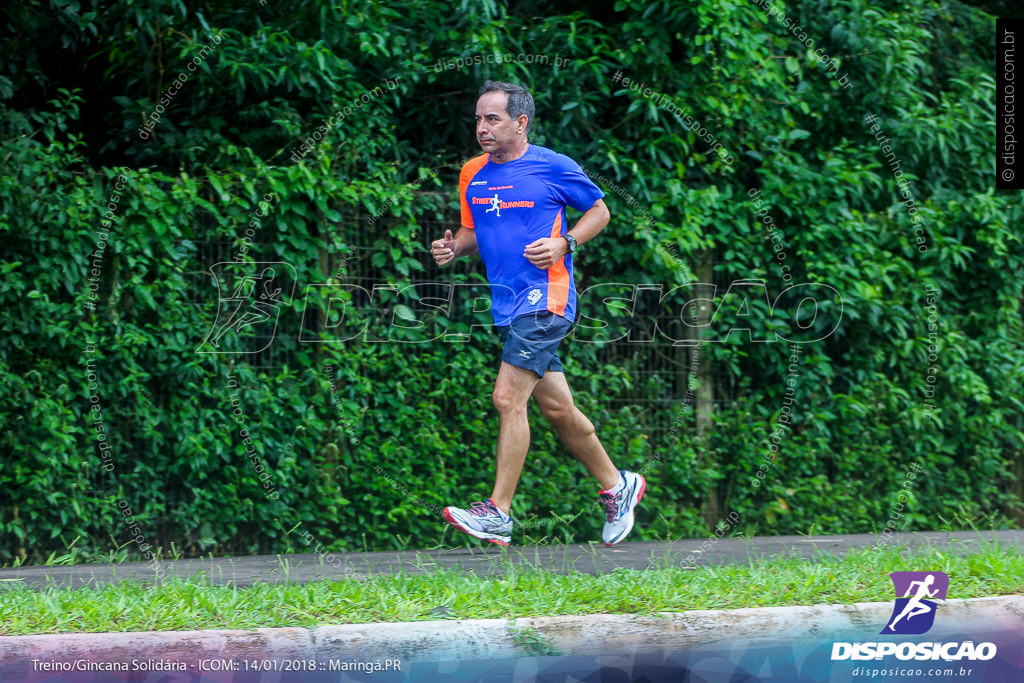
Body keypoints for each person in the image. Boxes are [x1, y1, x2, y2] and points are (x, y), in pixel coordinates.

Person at [430, 80, 645, 547]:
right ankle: (617, 485)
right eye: (478, 119)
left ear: (520, 123)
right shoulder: (473, 172)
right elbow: (473, 232)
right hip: (508, 304)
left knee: (508, 399)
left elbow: (600, 212)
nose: (482, 128)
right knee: (556, 407)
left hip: (546, 298)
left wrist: (565, 242)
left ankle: (498, 513)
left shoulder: (552, 166)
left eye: (493, 119)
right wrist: (453, 248)